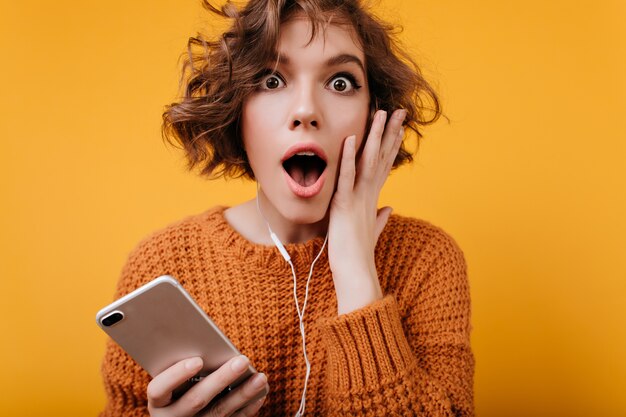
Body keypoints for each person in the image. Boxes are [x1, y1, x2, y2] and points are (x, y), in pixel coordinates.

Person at [99, 0, 474, 416]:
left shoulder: (425, 259)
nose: (305, 111)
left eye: (341, 82)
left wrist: (354, 269)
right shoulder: (164, 263)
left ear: (375, 116)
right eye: (272, 80)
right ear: (236, 111)